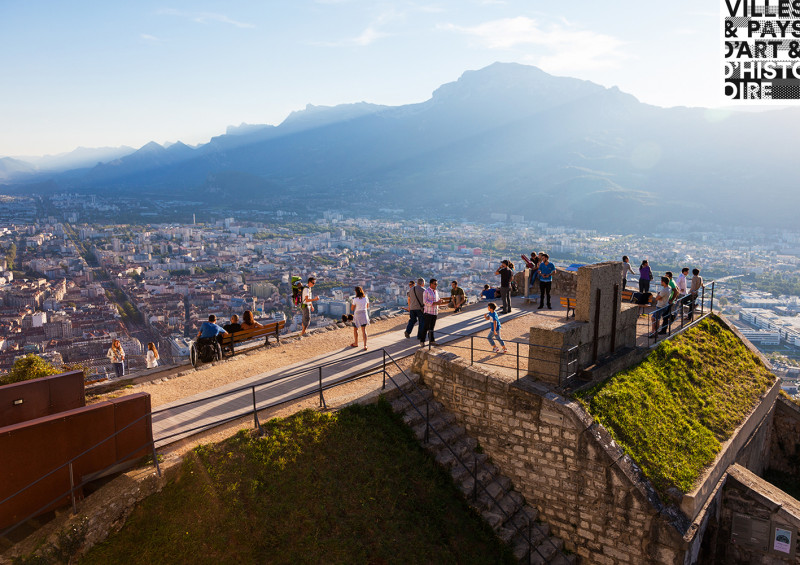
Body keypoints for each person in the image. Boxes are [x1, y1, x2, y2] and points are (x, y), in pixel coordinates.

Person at [418, 278, 449, 347]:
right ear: (431, 284)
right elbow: (425, 302)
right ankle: (422, 341)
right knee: (425, 327)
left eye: (437, 284)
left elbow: (437, 300)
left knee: (432, 328)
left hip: (434, 312)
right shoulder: (426, 291)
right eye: (435, 284)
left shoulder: (436, 292)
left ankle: (431, 340)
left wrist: (440, 301)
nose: (436, 285)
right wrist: (436, 303)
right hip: (428, 312)